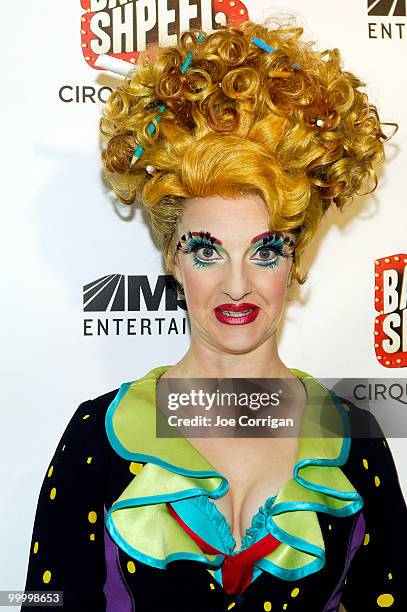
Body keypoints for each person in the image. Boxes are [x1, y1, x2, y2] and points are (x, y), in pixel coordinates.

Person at [22, 18, 407, 612]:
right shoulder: (94, 438)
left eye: (265, 249)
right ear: (173, 258)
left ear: (294, 260)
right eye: (207, 250)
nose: (236, 286)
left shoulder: (355, 439)